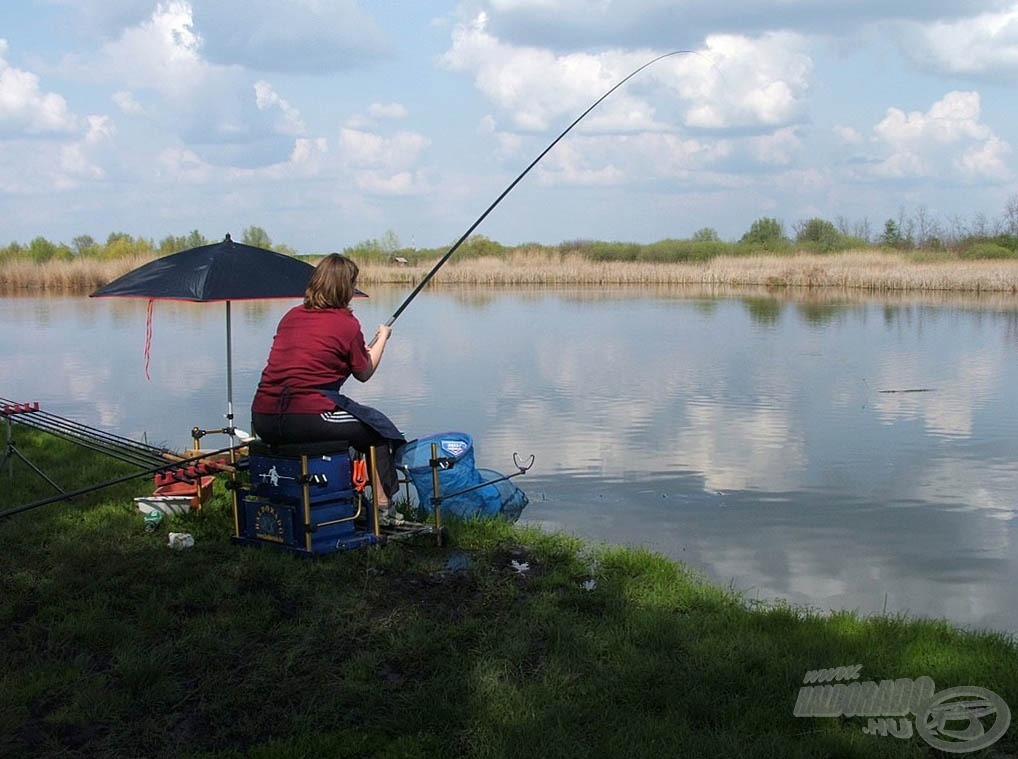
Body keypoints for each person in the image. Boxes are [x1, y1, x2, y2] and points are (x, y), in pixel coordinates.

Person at [251, 253, 403, 516]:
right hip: (306, 415)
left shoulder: (291, 316)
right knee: (377, 432)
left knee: (354, 423)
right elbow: (364, 372)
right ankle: (383, 508)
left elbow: (315, 357)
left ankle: (344, 496)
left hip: (262, 417)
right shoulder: (346, 324)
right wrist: (383, 339)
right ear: (346, 287)